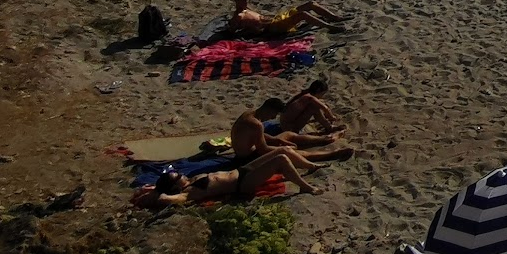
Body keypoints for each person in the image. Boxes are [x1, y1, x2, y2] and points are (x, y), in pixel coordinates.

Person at [139, 149, 323, 205]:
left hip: (241, 170)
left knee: (282, 150)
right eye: (178, 176)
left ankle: (312, 166)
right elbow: (169, 199)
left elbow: (162, 188)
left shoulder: (190, 181)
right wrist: (158, 194)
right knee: (281, 159)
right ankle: (305, 186)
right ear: (176, 186)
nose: (182, 174)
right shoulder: (190, 192)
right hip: (242, 183)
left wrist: (154, 187)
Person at [233, 104, 353, 163]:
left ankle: (325, 139)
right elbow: (263, 149)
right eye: (272, 115)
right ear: (268, 110)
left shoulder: (250, 114)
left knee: (288, 134)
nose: (272, 118)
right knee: (291, 152)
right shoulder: (256, 124)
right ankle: (331, 154)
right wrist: (284, 148)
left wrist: (277, 140)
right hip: (249, 157)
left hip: (252, 149)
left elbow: (255, 135)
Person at [227, 0, 344, 39]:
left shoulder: (246, 9)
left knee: (310, 4)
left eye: (247, 0)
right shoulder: (239, 16)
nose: (246, 2)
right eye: (244, 0)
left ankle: (335, 17)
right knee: (303, 14)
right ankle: (329, 27)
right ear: (237, 0)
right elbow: (231, 32)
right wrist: (250, 32)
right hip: (274, 27)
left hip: (277, 19)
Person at [277, 78, 344, 136]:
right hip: (289, 128)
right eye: (322, 94)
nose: (322, 96)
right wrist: (332, 117)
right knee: (314, 107)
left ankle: (327, 126)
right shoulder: (309, 97)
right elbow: (325, 108)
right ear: (318, 91)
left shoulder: (305, 93)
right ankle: (329, 127)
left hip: (285, 123)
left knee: (314, 106)